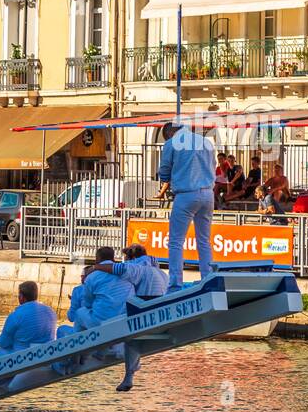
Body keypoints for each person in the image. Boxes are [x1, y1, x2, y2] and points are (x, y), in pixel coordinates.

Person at [89, 245, 167, 391]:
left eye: (125, 258)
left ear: (131, 258)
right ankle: (125, 370)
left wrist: (96, 268)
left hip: (144, 307)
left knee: (129, 336)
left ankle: (110, 352)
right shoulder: (160, 271)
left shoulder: (136, 267)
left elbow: (118, 269)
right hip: (158, 309)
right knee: (131, 339)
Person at [158, 121, 216, 291]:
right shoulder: (206, 142)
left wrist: (169, 177)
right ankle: (208, 278)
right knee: (204, 240)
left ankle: (175, 283)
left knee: (176, 241)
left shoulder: (171, 143)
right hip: (208, 193)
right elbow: (213, 166)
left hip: (185, 194)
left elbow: (164, 171)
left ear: (169, 133)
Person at [0, 281, 58, 362]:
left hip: (22, 359)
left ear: (21, 297)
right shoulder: (51, 312)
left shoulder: (16, 315)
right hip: (46, 356)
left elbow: (3, 343)